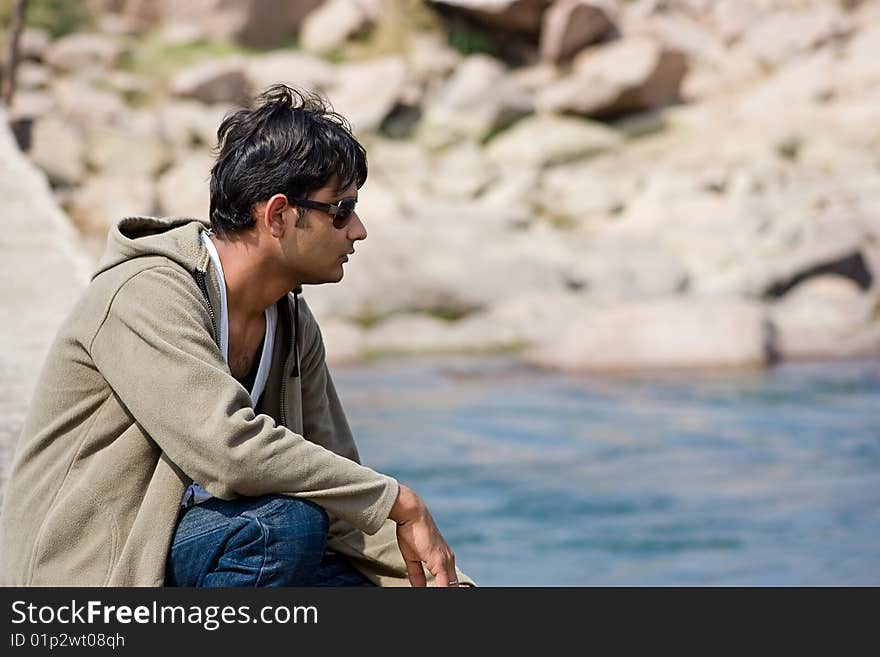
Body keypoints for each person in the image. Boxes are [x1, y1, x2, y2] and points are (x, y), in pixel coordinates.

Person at [0, 84, 474, 587]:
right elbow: (226, 449)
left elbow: (337, 486)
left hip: (202, 553)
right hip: (90, 582)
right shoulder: (145, 295)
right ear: (277, 216)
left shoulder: (290, 322)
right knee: (282, 528)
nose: (357, 230)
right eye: (340, 209)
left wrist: (452, 586)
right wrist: (398, 500)